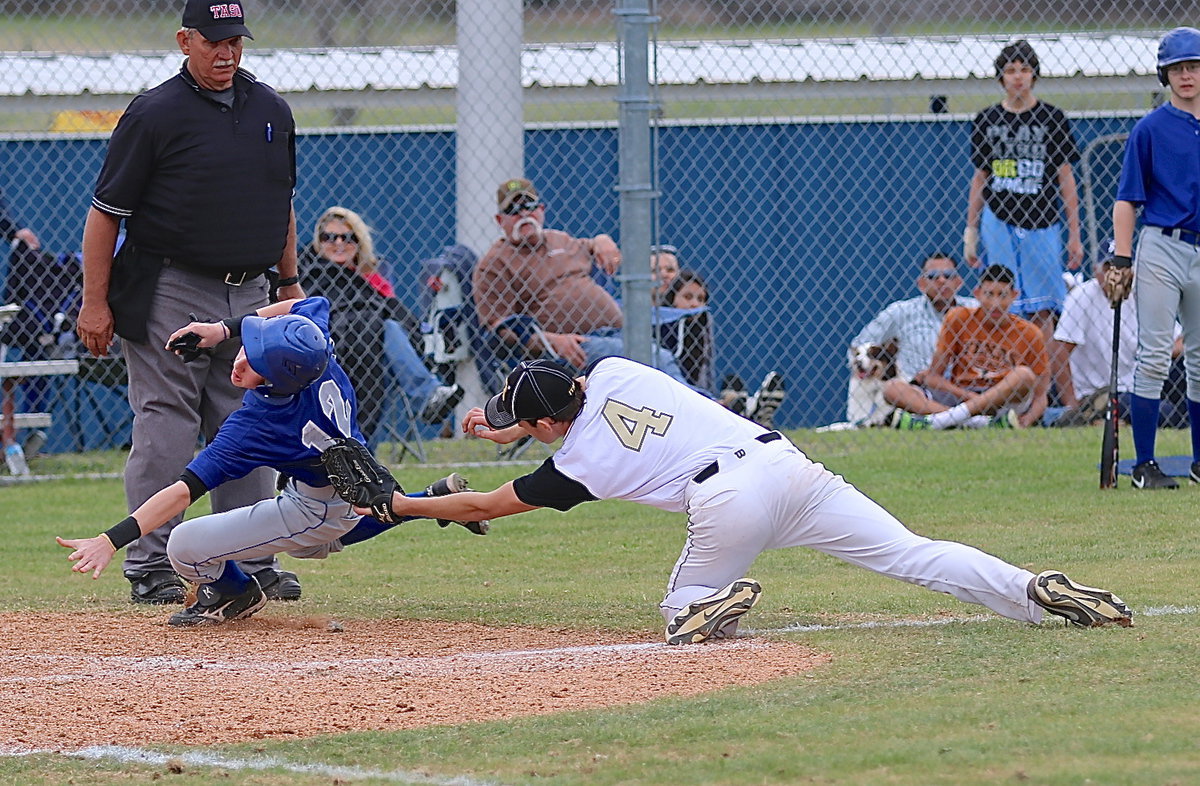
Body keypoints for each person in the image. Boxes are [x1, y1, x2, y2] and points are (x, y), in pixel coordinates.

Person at [358, 357, 1131, 644]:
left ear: (548, 425)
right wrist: (511, 430)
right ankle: (1028, 590)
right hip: (790, 467)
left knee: (676, 611)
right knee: (913, 554)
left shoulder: (581, 465)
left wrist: (403, 506)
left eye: (520, 422)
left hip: (727, 501)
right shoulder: (619, 370)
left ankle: (707, 603)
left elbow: (487, 506)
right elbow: (571, 404)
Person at [56, 296, 478, 627]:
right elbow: (305, 304)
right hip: (336, 481)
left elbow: (182, 491)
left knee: (184, 547)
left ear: (275, 378)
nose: (239, 359)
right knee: (318, 540)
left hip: (320, 503)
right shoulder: (315, 352)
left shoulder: (259, 423)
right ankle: (430, 499)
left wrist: (110, 540)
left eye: (254, 361)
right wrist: (223, 329)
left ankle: (234, 593)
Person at [74, 0, 303, 604]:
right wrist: (94, 303)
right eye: (213, 41)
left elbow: (281, 204)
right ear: (184, 41)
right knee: (166, 420)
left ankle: (250, 559)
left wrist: (287, 284)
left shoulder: (271, 109)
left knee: (249, 420)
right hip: (171, 284)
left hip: (251, 289)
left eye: (236, 42)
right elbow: (105, 214)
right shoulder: (154, 113)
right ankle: (151, 561)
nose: (226, 53)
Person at [473, 178, 784, 427]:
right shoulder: (494, 264)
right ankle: (721, 414)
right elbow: (497, 326)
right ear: (500, 219)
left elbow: (595, 247)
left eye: (530, 205)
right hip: (573, 346)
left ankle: (717, 406)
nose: (524, 215)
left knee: (690, 322)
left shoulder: (560, 240)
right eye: (514, 210)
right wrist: (549, 340)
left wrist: (601, 240)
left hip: (619, 327)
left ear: (541, 209)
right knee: (656, 358)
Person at [963, 39, 1082, 407]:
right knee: (1003, 306)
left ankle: (1052, 397)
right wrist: (971, 231)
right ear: (1002, 77)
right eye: (1011, 71)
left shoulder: (1052, 118)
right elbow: (980, 178)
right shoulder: (987, 120)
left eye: (1025, 70)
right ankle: (1008, 396)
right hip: (999, 222)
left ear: (1034, 75)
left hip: (1042, 222)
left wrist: (1074, 235)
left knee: (1043, 310)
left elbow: (1066, 178)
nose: (1018, 78)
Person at [1109, 26, 1200, 490]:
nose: (1187, 76)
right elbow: (1127, 200)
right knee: (1155, 355)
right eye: (1178, 68)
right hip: (1162, 244)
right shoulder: (1150, 128)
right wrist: (1122, 258)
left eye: (1194, 67)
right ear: (1166, 74)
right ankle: (1145, 464)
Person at [298, 206, 462, 443]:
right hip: (329, 345)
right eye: (330, 237)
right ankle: (427, 394)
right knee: (383, 329)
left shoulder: (372, 279)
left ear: (359, 241)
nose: (339, 243)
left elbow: (392, 312)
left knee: (383, 331)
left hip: (372, 352)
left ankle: (364, 452)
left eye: (348, 237)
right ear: (318, 242)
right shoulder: (309, 271)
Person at [888, 264, 1049, 429]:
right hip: (961, 394)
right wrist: (969, 397)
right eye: (989, 294)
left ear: (1014, 295)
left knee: (1023, 375)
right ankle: (977, 423)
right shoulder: (959, 318)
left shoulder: (1031, 333)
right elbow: (933, 377)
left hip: (1003, 399)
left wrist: (1027, 420)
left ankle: (940, 422)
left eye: (1002, 295)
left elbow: (1040, 395)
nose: (995, 303)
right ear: (977, 294)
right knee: (893, 388)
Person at [1051, 240, 1187, 428]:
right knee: (1168, 416)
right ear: (1096, 271)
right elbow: (1059, 351)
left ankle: (1110, 421)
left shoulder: (1142, 294)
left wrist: (1157, 355)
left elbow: (1181, 340)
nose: (1114, 275)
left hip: (1143, 384)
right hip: (1099, 392)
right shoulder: (1082, 296)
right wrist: (1071, 404)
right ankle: (1088, 415)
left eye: (1121, 267)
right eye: (1108, 267)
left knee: (1181, 385)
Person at [848, 252, 978, 402]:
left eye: (948, 275)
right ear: (921, 284)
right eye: (933, 276)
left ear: (959, 282)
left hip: (967, 387)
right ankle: (957, 418)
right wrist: (873, 371)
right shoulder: (900, 312)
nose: (941, 280)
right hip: (920, 393)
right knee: (895, 390)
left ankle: (950, 419)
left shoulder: (976, 310)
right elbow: (858, 346)